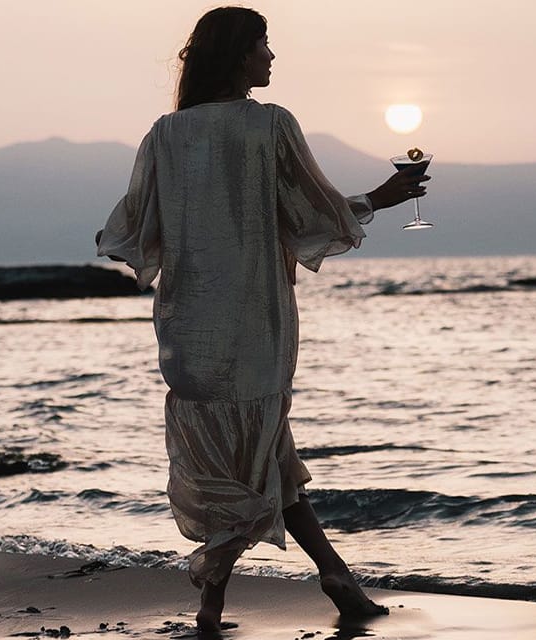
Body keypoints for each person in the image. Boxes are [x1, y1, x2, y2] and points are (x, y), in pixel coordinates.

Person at [96, 6, 429, 632]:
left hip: (189, 326)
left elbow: (131, 229)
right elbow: (310, 216)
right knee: (259, 450)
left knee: (249, 454)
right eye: (263, 44)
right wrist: (379, 199)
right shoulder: (271, 124)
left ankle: (300, 585)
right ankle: (250, 591)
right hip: (254, 321)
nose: (271, 56)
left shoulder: (165, 135)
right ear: (237, 54)